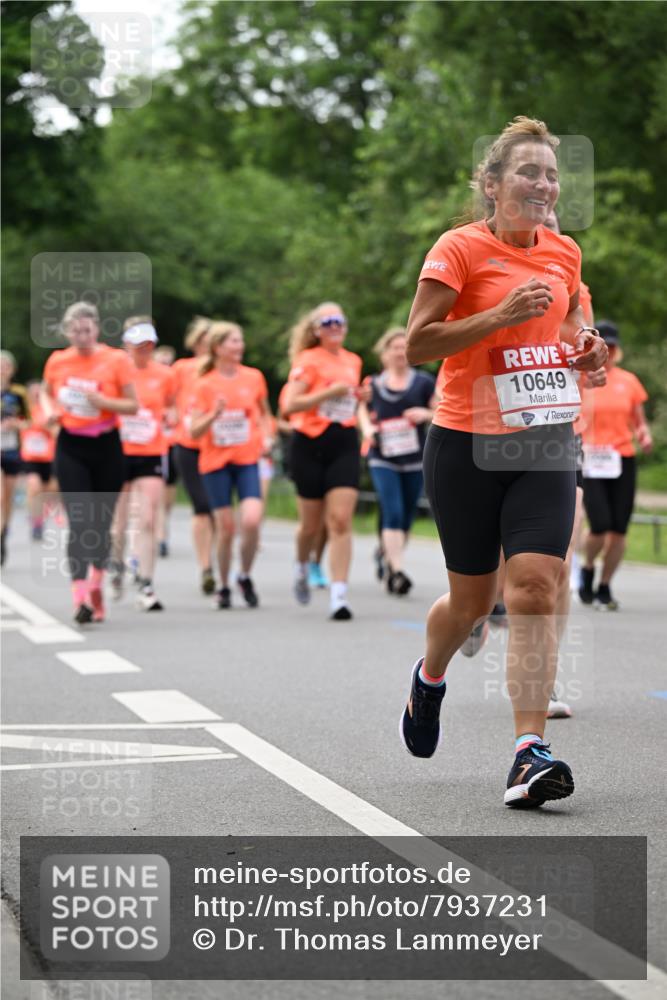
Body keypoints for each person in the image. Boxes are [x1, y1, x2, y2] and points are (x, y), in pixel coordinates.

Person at [398, 116, 607, 808]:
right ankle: (428, 679)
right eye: (528, 171)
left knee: (534, 589)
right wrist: (496, 315)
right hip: (466, 442)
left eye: (551, 173)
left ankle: (527, 750)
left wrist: (587, 353)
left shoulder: (564, 253)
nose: (544, 184)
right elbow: (419, 344)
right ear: (491, 185)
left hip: (544, 438)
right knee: (472, 600)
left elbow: (571, 329)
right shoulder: (459, 250)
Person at [41, 302, 138, 623]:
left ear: (97, 329)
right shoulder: (58, 360)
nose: (82, 336)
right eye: (75, 331)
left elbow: (132, 405)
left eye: (87, 330)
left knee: (100, 524)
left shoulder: (115, 360)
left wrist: (104, 402)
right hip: (71, 445)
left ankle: (97, 583)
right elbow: (44, 393)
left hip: (107, 446)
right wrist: (49, 410)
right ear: (67, 332)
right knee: (80, 522)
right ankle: (79, 595)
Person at [282, 302, 363, 619]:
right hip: (309, 444)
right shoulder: (307, 360)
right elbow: (290, 405)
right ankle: (302, 565)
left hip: (343, 441)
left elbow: (348, 401)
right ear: (316, 330)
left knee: (341, 521)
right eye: (327, 322)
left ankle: (339, 595)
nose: (334, 326)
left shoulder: (353, 360)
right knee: (310, 526)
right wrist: (327, 394)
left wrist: (359, 398)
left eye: (339, 321)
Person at [190, 322, 273, 609]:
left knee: (251, 519)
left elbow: (264, 415)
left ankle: (245, 575)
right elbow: (194, 431)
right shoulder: (204, 384)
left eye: (240, 341)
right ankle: (224, 585)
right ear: (218, 348)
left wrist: (268, 437)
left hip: (247, 458)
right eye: (233, 341)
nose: (240, 346)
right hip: (215, 463)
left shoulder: (253, 377)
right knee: (225, 528)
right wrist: (213, 414)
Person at [358, 327, 437, 595]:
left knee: (406, 515)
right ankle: (398, 571)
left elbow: (441, 410)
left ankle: (386, 554)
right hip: (383, 456)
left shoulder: (424, 382)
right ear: (384, 353)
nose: (400, 352)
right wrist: (367, 430)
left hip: (414, 457)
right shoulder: (373, 385)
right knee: (391, 510)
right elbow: (361, 410)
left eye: (405, 347)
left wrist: (425, 414)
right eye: (395, 347)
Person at [579, 320, 651, 609]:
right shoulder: (580, 380)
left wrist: (644, 434)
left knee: (619, 528)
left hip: (622, 458)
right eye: (601, 344)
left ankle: (605, 586)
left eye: (611, 346)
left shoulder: (629, 381)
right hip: (590, 458)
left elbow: (639, 421)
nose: (606, 350)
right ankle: (587, 567)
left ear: (616, 349)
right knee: (600, 524)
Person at [111, 318, 176, 611]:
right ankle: (115, 564)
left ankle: (146, 583)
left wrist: (172, 415)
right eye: (139, 346)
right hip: (117, 450)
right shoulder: (113, 370)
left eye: (149, 345)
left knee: (148, 518)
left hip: (151, 450)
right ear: (126, 344)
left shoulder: (164, 374)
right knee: (119, 522)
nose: (144, 351)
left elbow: (174, 403)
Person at [171, 317, 217, 594]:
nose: (208, 345)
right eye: (204, 339)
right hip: (188, 444)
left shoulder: (223, 370)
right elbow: (164, 396)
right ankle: (205, 567)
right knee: (202, 506)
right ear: (195, 342)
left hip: (221, 447)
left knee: (219, 509)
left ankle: (219, 563)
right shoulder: (181, 369)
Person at [1, 351, 30, 565]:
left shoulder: (19, 393)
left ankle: (4, 534)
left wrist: (16, 425)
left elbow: (29, 421)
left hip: (12, 450)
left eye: (6, 366)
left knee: (7, 498)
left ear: (12, 369)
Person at [21, 381, 59, 541]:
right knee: (34, 486)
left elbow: (57, 432)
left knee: (52, 490)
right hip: (30, 457)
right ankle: (36, 522)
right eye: (33, 392)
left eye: (39, 392)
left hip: (49, 457)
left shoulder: (49, 410)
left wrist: (45, 427)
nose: (36, 395)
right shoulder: (23, 410)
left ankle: (40, 514)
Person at [154, 343, 178, 557]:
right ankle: (160, 536)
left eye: (169, 362)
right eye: (162, 362)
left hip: (173, 445)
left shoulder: (176, 385)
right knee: (157, 493)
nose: (166, 366)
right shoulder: (150, 382)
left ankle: (163, 525)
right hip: (153, 446)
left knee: (168, 497)